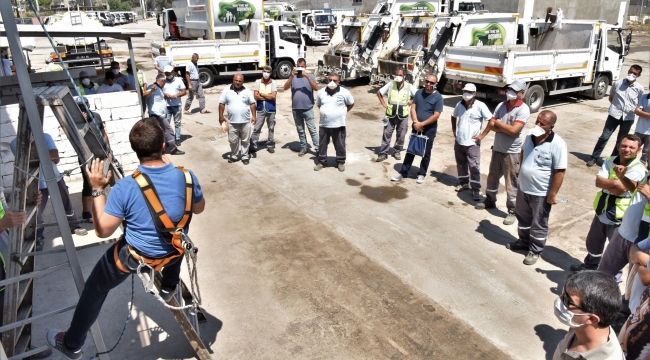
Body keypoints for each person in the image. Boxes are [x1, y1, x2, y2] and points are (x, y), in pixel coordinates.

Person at [45, 118, 205, 360]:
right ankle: (169, 284)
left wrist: (98, 188)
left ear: (135, 150)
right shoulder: (187, 177)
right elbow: (199, 208)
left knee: (94, 289)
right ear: (163, 146)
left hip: (137, 256)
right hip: (172, 251)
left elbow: (103, 231)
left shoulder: (127, 187)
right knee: (177, 237)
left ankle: (72, 343)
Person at [570, 135, 646, 271]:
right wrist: (617, 182)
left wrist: (610, 184)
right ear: (618, 146)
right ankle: (589, 267)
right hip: (602, 209)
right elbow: (598, 182)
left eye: (631, 147)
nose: (626, 149)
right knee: (594, 242)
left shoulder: (638, 168)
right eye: (624, 146)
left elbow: (620, 191)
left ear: (638, 150)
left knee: (615, 252)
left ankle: (612, 278)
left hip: (619, 216)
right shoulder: (610, 160)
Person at [506, 111, 567, 265]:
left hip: (541, 192)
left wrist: (552, 194)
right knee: (523, 218)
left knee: (539, 222)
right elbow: (522, 152)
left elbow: (560, 172)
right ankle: (523, 241)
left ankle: (535, 250)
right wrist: (521, 171)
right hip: (524, 188)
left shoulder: (557, 144)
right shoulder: (529, 137)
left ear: (551, 127)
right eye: (537, 121)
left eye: (543, 124)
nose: (538, 125)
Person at [10, 133, 88, 242]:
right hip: (35, 182)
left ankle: (73, 225)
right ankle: (38, 235)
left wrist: (38, 155)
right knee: (36, 210)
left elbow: (55, 158)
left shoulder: (45, 137)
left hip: (54, 177)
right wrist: (45, 154)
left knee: (66, 203)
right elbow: (27, 162)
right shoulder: (15, 143)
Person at [474, 80, 530, 226]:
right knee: (492, 177)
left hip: (512, 152)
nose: (510, 92)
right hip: (498, 148)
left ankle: (512, 211)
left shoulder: (523, 109)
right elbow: (492, 125)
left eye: (514, 90)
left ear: (521, 94)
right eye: (509, 89)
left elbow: (513, 131)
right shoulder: (501, 105)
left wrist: (499, 124)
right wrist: (497, 128)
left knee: (511, 182)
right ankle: (490, 200)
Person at [552, 271, 624, 360]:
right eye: (563, 292)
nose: (560, 299)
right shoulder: (579, 326)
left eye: (567, 301)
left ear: (591, 319)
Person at [586, 65, 644, 167]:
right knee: (604, 136)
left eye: (634, 73)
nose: (631, 74)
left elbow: (639, 104)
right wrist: (616, 107)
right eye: (630, 71)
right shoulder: (618, 83)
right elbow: (611, 97)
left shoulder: (639, 88)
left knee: (621, 140)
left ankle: (613, 160)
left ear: (638, 75)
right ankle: (594, 157)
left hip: (628, 118)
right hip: (614, 115)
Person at [390, 74, 443, 184]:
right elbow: (413, 108)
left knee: (426, 152)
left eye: (431, 83)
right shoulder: (419, 93)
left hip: (429, 129)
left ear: (436, 84)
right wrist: (415, 122)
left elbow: (436, 115)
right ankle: (403, 172)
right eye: (427, 81)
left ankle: (422, 173)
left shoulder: (438, 97)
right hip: (416, 125)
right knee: (411, 150)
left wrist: (422, 124)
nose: (428, 84)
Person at [75, 96, 115, 220]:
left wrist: (109, 151)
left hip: (102, 153)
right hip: (87, 157)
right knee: (89, 184)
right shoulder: (76, 120)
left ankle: (108, 206)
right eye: (80, 107)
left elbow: (104, 134)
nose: (82, 109)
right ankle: (86, 212)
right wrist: (83, 121)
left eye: (84, 106)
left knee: (108, 179)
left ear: (88, 105)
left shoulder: (96, 116)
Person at [451, 83, 492, 201]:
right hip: (459, 141)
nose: (466, 94)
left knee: (474, 166)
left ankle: (475, 189)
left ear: (474, 94)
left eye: (469, 92)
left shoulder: (480, 106)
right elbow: (453, 116)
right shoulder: (459, 104)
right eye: (465, 91)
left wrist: (482, 135)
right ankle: (463, 183)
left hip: (472, 143)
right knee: (461, 164)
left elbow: (491, 121)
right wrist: (454, 130)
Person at [314, 74, 354, 172]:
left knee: (340, 144)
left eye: (335, 80)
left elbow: (351, 103)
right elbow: (319, 105)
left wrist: (342, 113)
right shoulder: (321, 92)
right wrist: (327, 113)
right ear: (327, 80)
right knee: (322, 144)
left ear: (338, 82)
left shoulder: (345, 92)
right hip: (324, 124)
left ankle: (340, 162)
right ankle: (322, 162)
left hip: (339, 124)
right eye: (330, 80)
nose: (332, 82)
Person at [376, 68, 416, 162]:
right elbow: (379, 92)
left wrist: (411, 101)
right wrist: (383, 104)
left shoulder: (409, 86)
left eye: (400, 75)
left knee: (401, 134)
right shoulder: (391, 84)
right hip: (390, 115)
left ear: (404, 76)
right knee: (387, 134)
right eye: (397, 74)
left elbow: (418, 97)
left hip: (403, 115)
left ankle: (396, 151)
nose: (398, 77)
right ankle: (383, 153)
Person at [284, 58, 319, 157]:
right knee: (300, 130)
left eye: (302, 67)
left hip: (308, 108)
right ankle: (304, 147)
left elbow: (316, 88)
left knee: (312, 130)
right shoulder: (293, 78)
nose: (300, 68)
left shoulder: (310, 76)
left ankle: (318, 148)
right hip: (296, 109)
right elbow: (285, 87)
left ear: (305, 67)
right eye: (299, 66)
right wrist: (291, 76)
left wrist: (307, 77)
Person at [219, 74, 256, 165]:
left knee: (245, 140)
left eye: (240, 81)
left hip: (245, 121)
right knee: (233, 140)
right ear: (233, 80)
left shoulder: (247, 91)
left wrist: (254, 116)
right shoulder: (226, 90)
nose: (237, 83)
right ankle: (235, 155)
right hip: (232, 121)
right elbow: (221, 104)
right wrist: (220, 116)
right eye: (236, 80)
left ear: (243, 82)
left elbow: (252, 104)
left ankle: (245, 156)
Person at [143, 74, 184, 155]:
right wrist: (151, 91)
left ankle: (160, 150)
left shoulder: (159, 88)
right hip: (156, 115)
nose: (165, 84)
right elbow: (144, 95)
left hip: (160, 114)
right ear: (162, 81)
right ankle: (173, 149)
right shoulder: (153, 87)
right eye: (165, 82)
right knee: (169, 131)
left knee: (161, 132)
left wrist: (165, 94)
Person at [251, 66, 278, 154]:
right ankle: (253, 146)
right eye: (264, 71)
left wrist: (261, 94)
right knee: (257, 128)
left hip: (271, 109)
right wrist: (268, 96)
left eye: (268, 72)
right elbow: (255, 96)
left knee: (271, 127)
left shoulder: (273, 83)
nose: (266, 73)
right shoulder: (258, 82)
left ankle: (270, 145)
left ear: (270, 73)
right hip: (260, 109)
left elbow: (273, 96)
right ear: (262, 72)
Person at [162, 65, 187, 146]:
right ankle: (168, 140)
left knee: (177, 123)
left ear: (172, 72)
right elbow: (160, 92)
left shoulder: (179, 81)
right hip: (167, 106)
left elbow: (184, 91)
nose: (168, 75)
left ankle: (177, 139)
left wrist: (177, 95)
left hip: (177, 105)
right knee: (166, 124)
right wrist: (165, 94)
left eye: (169, 73)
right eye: (166, 73)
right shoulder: (163, 81)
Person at [633, 85, 650, 163]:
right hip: (639, 130)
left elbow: (639, 111)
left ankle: (642, 171)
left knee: (646, 154)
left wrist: (641, 112)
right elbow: (637, 111)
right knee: (632, 149)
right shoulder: (644, 97)